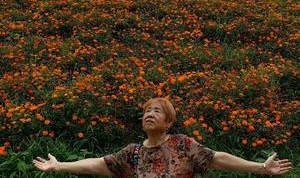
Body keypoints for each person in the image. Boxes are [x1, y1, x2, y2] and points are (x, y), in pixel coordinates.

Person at [33, 97, 293, 177]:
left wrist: (260, 167)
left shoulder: (183, 144)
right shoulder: (132, 152)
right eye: (146, 111)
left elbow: (218, 159)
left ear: (168, 122)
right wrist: (59, 166)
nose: (149, 114)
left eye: (156, 111)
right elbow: (99, 164)